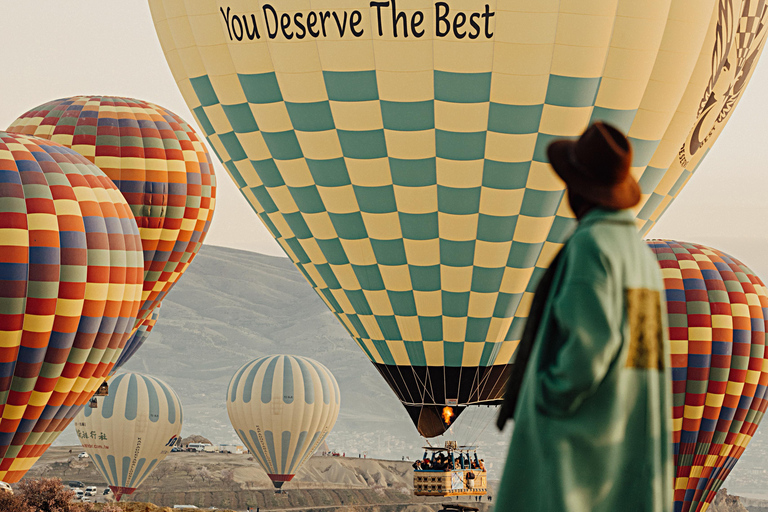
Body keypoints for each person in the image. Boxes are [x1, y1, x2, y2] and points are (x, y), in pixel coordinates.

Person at [494, 122, 673, 512]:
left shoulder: (591, 246)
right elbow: (642, 353)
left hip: (578, 440)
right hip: (627, 429)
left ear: (579, 188)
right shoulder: (640, 256)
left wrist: (544, 396)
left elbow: (589, 349)